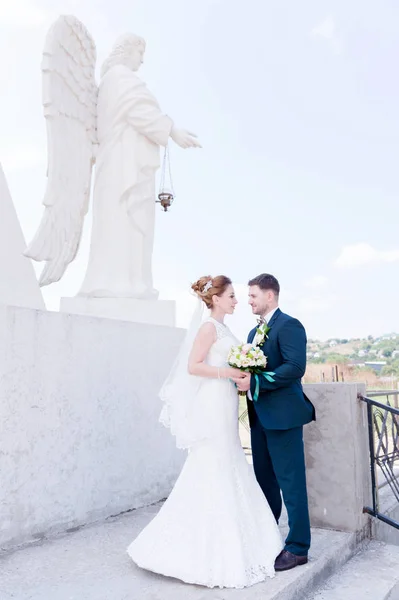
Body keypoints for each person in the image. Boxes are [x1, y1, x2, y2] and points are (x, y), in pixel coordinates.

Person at [127, 275, 282, 588]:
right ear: (216, 299)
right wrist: (227, 371)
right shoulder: (208, 328)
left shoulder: (224, 329)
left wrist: (240, 377)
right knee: (214, 461)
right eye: (231, 296)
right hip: (212, 403)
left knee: (229, 460)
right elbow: (193, 366)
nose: (237, 301)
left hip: (225, 400)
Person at [235, 273, 316, 572]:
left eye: (253, 295)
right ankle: (269, 539)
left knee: (291, 484)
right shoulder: (250, 335)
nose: (249, 301)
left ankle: (298, 547)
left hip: (283, 418)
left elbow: (295, 368)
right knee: (264, 481)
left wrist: (255, 382)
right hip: (259, 418)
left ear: (270, 295)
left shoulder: (289, 325)